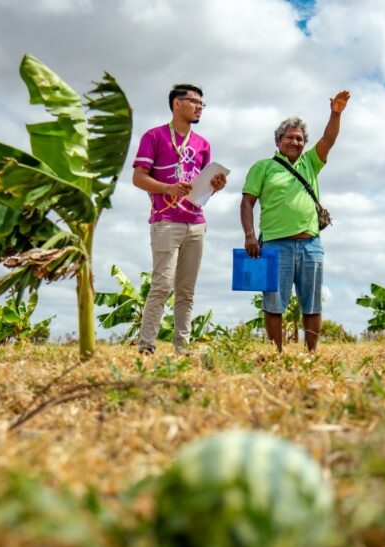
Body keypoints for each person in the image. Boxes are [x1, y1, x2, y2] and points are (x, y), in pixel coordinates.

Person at [240, 90, 350, 352]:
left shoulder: (311, 162)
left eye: (300, 138)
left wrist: (335, 114)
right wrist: (249, 235)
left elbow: (329, 139)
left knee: (312, 304)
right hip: (275, 245)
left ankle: (311, 355)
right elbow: (246, 202)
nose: (295, 142)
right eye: (289, 137)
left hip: (311, 244)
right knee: (274, 303)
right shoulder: (262, 167)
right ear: (278, 141)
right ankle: (276, 354)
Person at [132, 84, 227, 355]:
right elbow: (138, 178)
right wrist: (167, 188)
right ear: (177, 103)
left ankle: (182, 349)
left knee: (186, 291)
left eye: (202, 104)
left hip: (196, 221)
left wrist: (216, 186)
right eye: (194, 102)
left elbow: (202, 189)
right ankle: (146, 347)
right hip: (165, 220)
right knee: (162, 285)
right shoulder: (154, 136)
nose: (199, 107)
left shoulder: (203, 144)